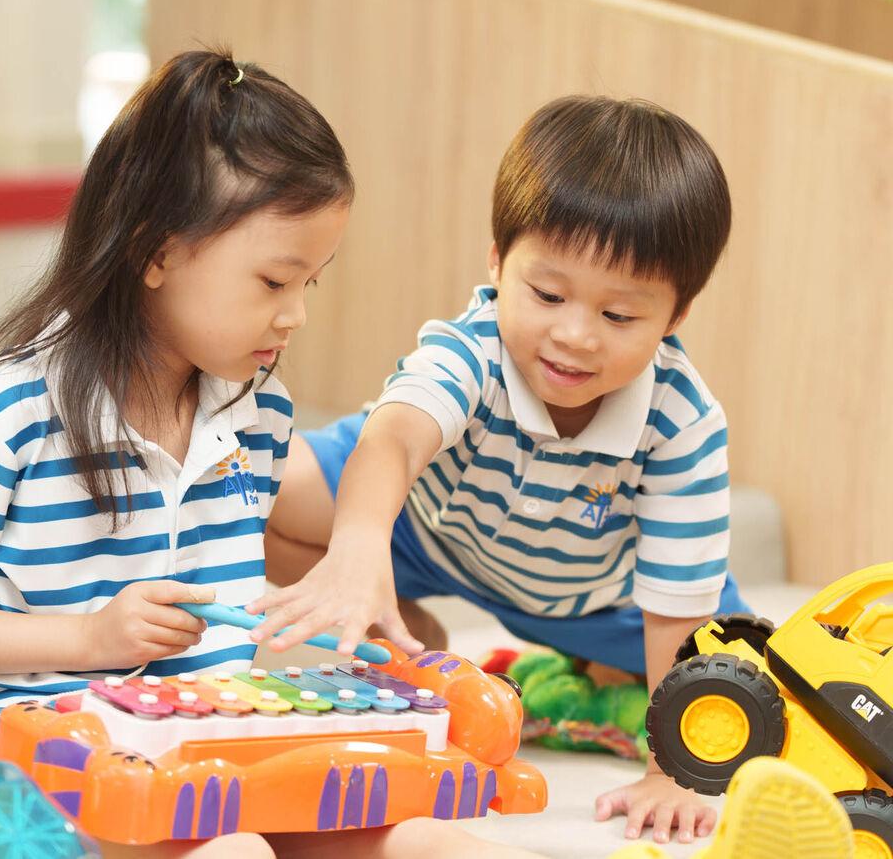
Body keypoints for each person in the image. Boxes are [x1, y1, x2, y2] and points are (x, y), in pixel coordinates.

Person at [0, 48, 544, 859]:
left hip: (213, 746)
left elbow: (333, 520)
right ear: (156, 253)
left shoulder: (256, 415)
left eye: (310, 285)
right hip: (48, 760)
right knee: (236, 854)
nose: (294, 316)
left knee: (439, 842)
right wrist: (87, 641)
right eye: (272, 283)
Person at [257, 95, 744, 846]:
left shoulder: (682, 422)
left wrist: (672, 770)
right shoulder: (472, 348)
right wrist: (359, 552)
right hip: (426, 534)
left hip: (592, 600)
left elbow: (680, 610)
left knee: (742, 682)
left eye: (620, 317)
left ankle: (599, 681)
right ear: (496, 263)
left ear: (676, 317)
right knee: (269, 485)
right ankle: (408, 629)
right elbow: (391, 441)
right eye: (546, 294)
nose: (574, 336)